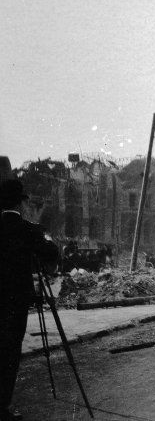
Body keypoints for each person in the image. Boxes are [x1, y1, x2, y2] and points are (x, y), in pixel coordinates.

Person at [1, 179, 59, 421]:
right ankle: (2, 406)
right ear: (20, 203)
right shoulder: (27, 229)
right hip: (15, 302)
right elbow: (51, 252)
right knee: (10, 351)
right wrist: (44, 237)